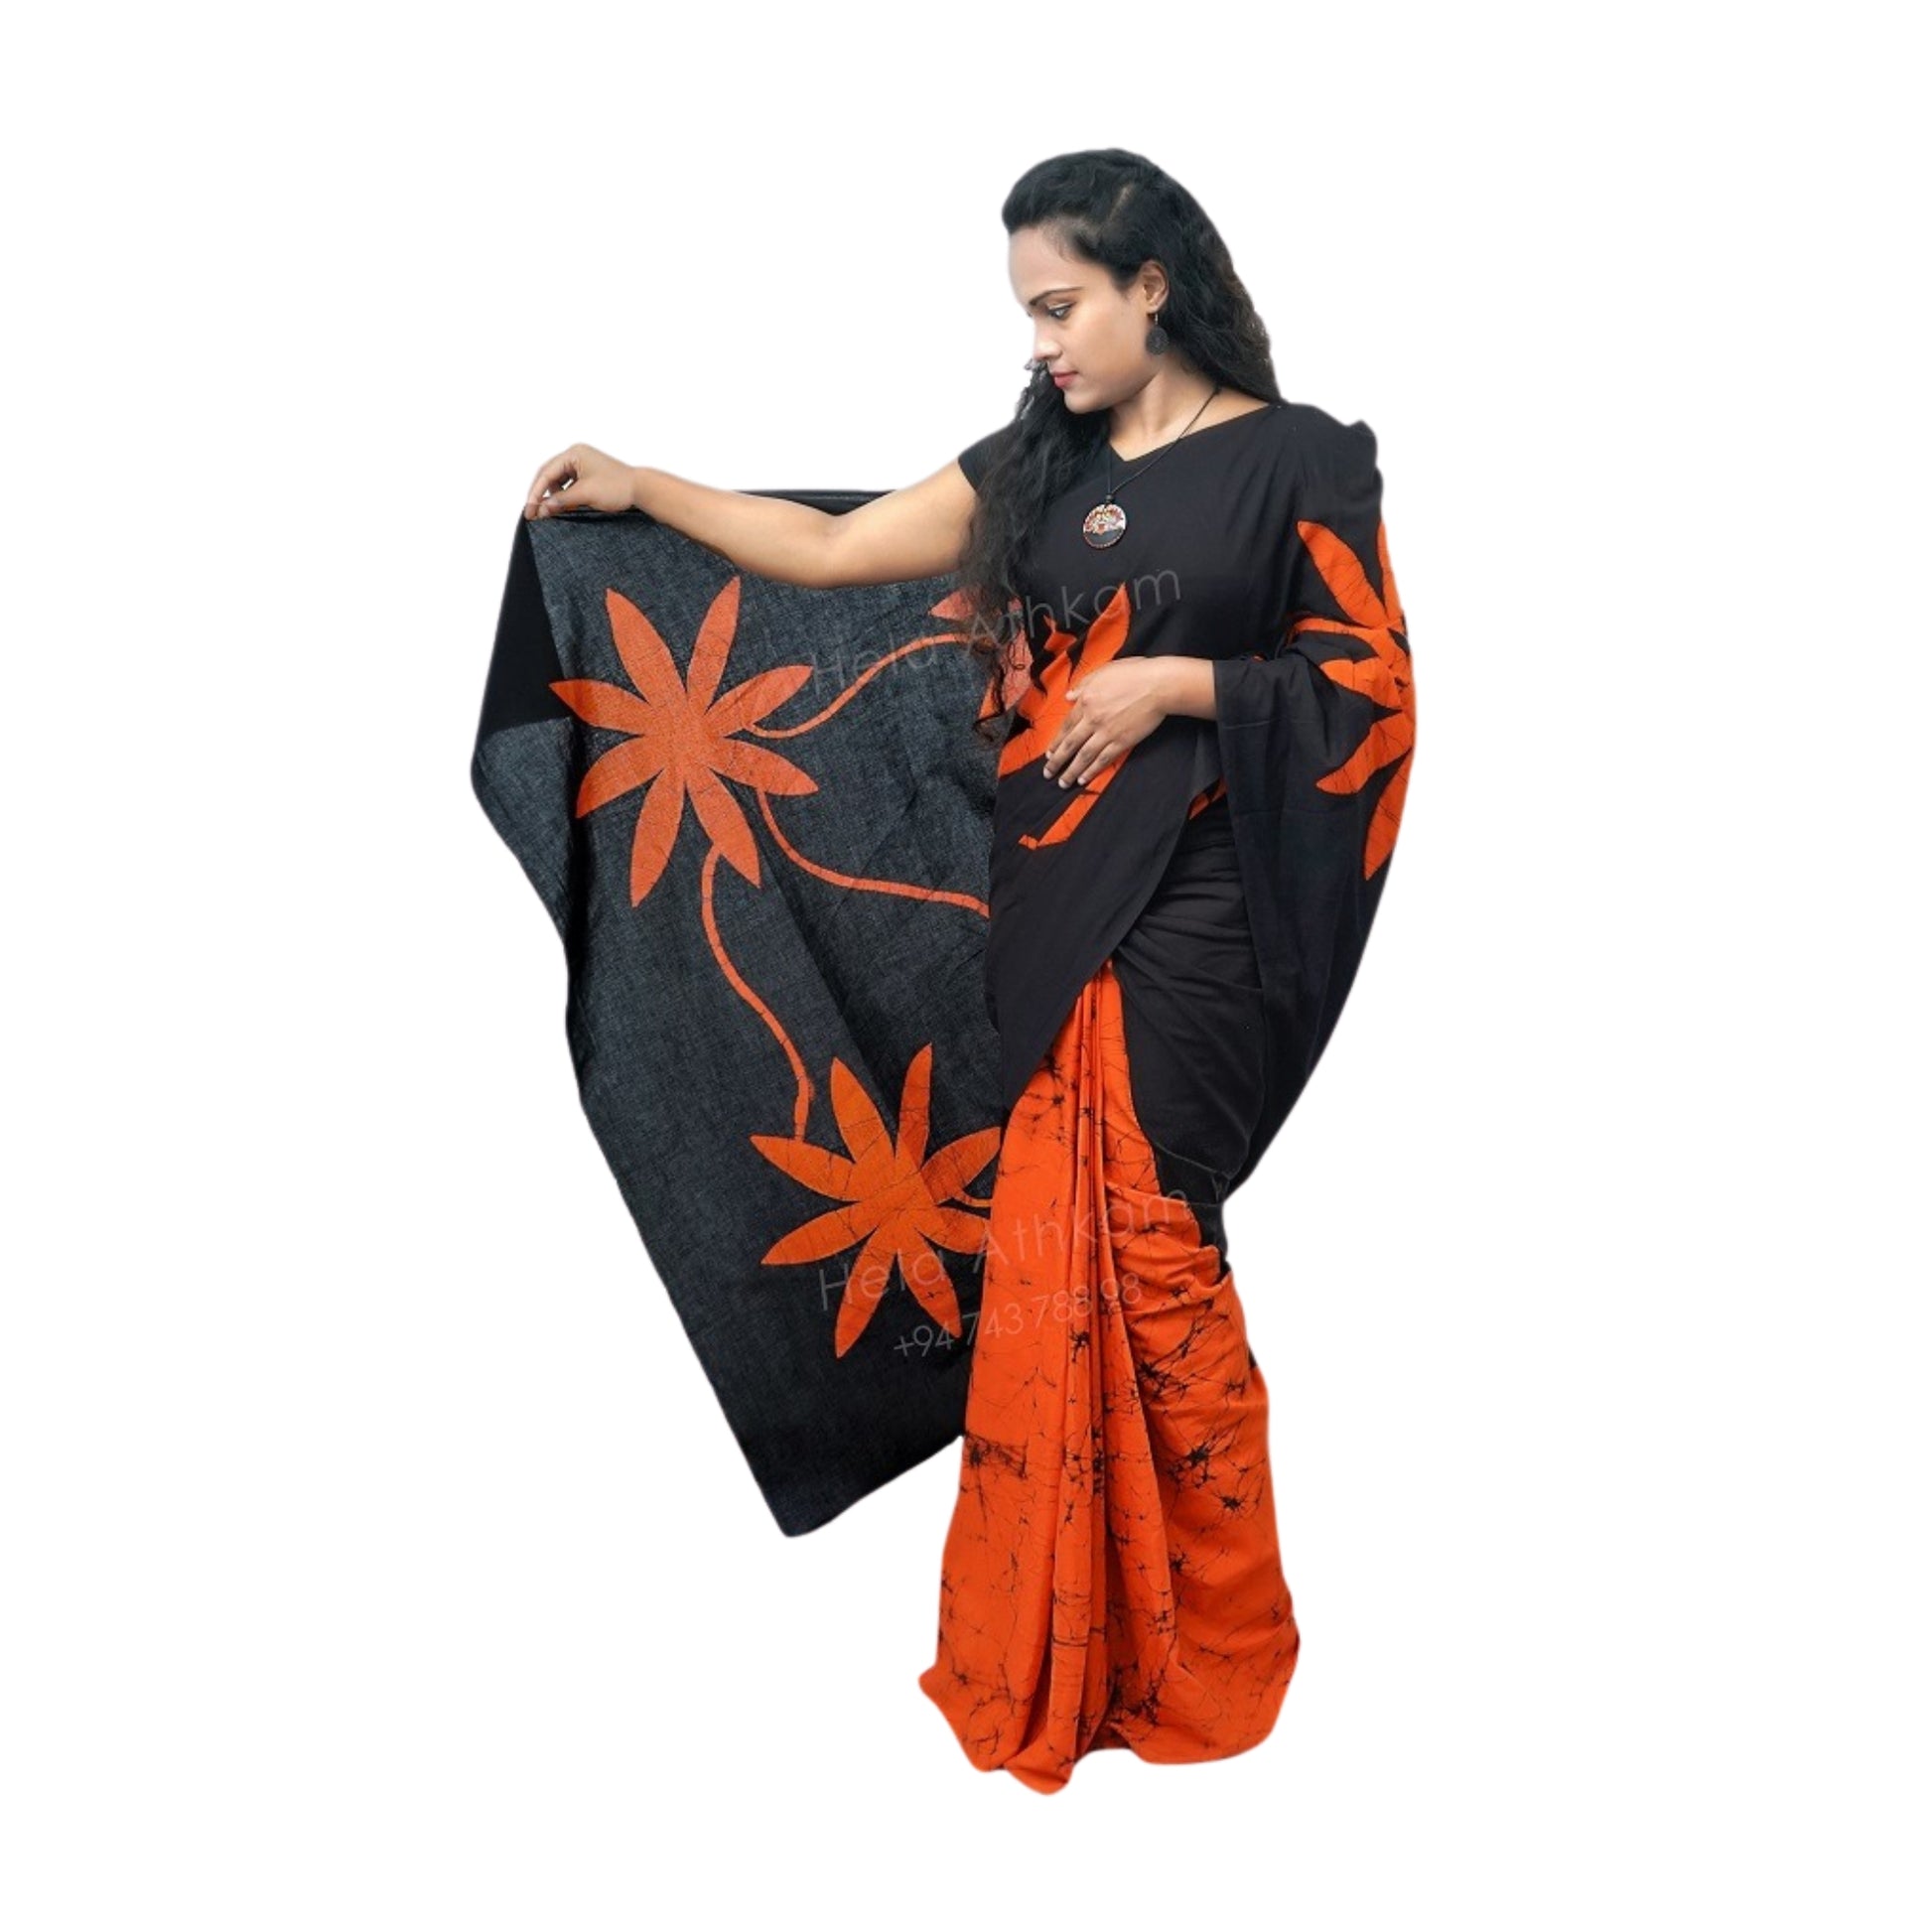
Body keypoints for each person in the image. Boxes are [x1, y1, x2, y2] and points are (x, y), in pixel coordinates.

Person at [518, 148, 1412, 1794]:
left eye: (1062, 306)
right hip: (1056, 906)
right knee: (1064, 1251)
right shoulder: (1035, 465)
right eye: (1027, 313)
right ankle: (1072, 1643)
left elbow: (1365, 688)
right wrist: (645, 484)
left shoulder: (1299, 461)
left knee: (1154, 1249)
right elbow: (835, 551)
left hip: (1201, 915)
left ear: (1154, 286)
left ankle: (1215, 1650)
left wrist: (1176, 685)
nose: (1041, 342)